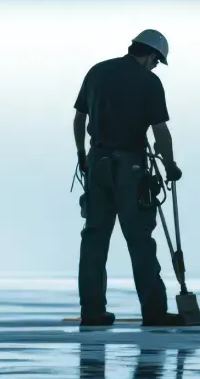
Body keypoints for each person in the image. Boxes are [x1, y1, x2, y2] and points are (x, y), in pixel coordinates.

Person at [73, 29, 184, 327]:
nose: (155, 67)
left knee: (94, 241)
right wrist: (170, 165)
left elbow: (79, 119)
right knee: (140, 241)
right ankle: (154, 312)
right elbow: (160, 131)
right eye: (156, 62)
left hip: (97, 165)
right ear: (150, 55)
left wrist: (82, 156)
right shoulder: (149, 82)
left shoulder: (96, 72)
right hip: (129, 169)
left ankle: (92, 312)